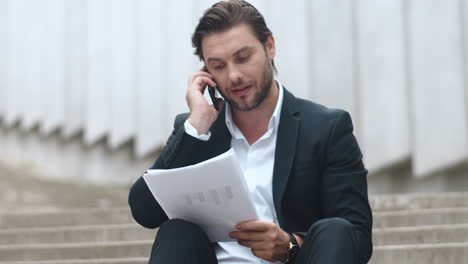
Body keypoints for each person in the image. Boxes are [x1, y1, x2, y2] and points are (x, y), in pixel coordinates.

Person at [128, 0, 373, 263]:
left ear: (269, 46)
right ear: (206, 72)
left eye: (243, 58)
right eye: (218, 66)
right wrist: (195, 126)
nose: (233, 75)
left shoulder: (327, 128)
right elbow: (146, 212)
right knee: (176, 232)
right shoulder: (197, 133)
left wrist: (291, 245)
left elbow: (355, 237)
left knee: (336, 229)